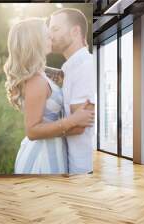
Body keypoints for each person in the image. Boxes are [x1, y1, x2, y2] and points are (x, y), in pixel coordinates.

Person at [3, 18, 95, 174]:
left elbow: (55, 72)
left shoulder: (39, 74)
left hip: (52, 149)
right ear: (35, 42)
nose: (51, 37)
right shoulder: (36, 81)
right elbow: (32, 131)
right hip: (42, 157)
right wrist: (72, 120)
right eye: (46, 35)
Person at [48, 8, 96, 174]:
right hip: (74, 164)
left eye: (55, 29)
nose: (49, 35)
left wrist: (37, 131)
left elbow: (78, 126)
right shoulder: (71, 68)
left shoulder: (85, 67)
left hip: (83, 168)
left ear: (75, 31)